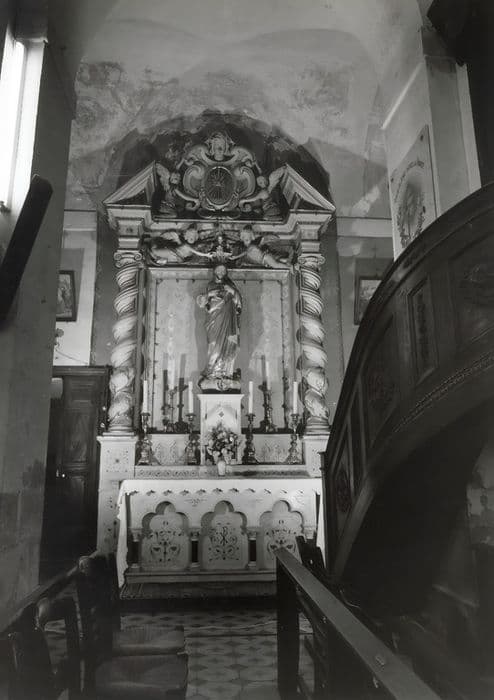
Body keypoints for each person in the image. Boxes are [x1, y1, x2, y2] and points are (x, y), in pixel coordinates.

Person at [197, 264, 242, 384]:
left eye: (223, 271)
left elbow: (238, 303)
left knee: (228, 343)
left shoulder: (231, 285)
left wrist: (232, 291)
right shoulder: (210, 285)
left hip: (228, 319)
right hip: (214, 319)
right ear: (214, 271)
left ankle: (226, 372)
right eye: (219, 270)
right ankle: (211, 371)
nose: (221, 272)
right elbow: (202, 303)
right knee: (213, 344)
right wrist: (209, 294)